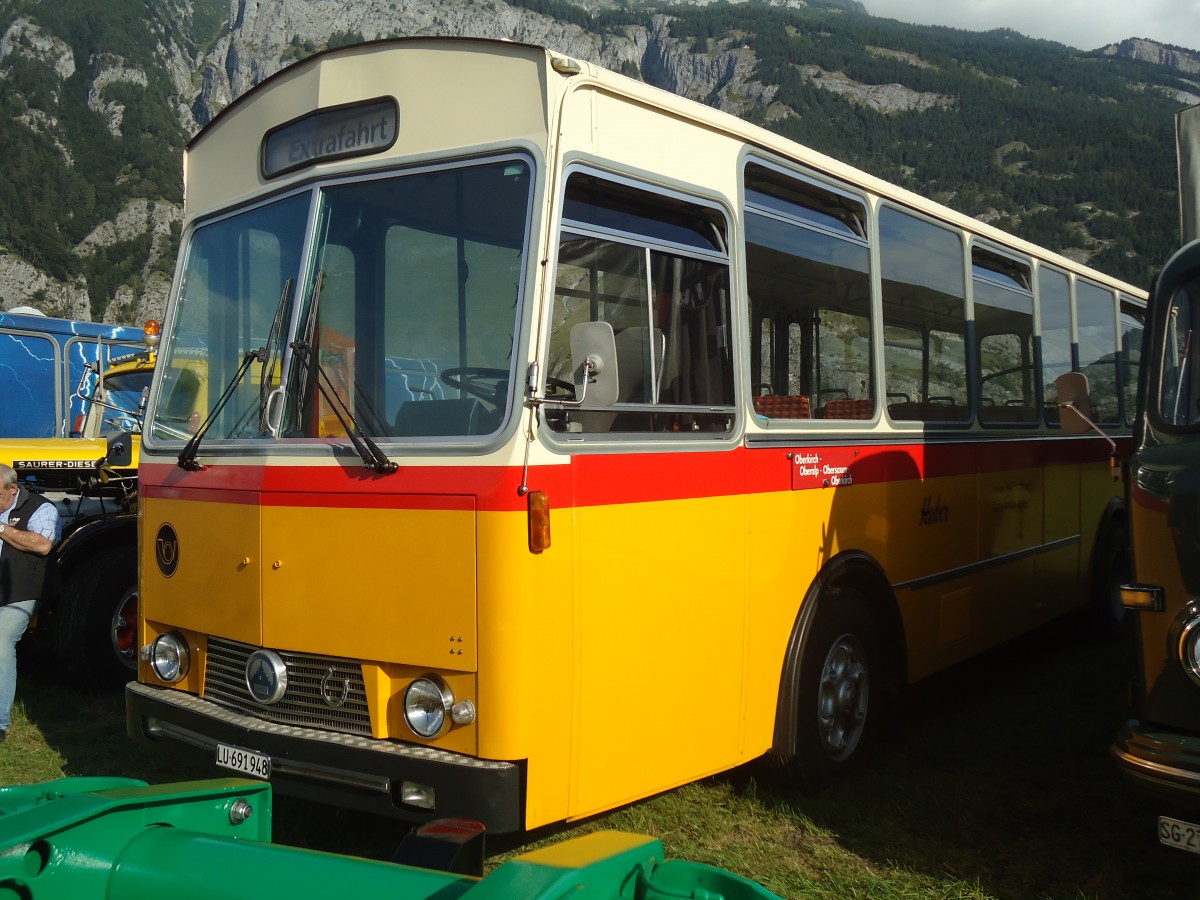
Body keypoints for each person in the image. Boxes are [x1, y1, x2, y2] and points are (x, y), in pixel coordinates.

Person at [0, 463, 60, 742]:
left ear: (13, 489)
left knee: (0, 641)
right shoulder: (7, 499)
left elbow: (42, 545)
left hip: (23, 591)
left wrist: (1, 528)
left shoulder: (41, 508)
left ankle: (0, 722)